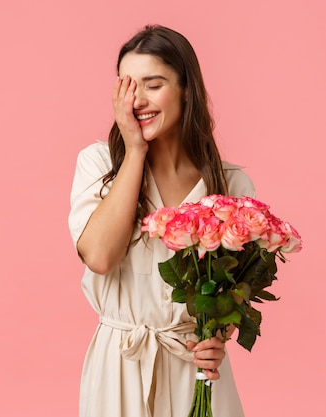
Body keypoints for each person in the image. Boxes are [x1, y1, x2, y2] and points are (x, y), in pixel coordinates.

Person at [68, 25, 255, 417]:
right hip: (120, 366)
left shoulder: (230, 184)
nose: (137, 100)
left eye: (153, 85)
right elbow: (99, 257)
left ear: (187, 89)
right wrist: (133, 151)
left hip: (196, 371)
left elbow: (230, 291)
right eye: (127, 86)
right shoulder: (100, 164)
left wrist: (219, 334)